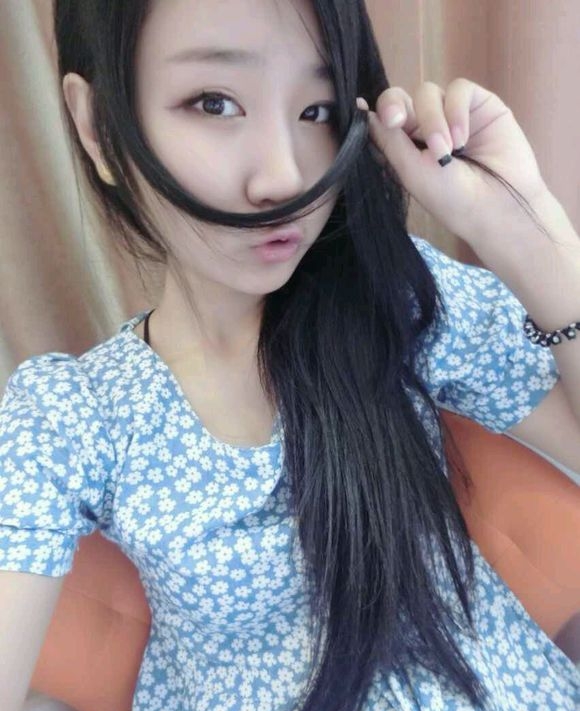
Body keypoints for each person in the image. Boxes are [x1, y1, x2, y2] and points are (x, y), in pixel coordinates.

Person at [1, 1, 579, 709]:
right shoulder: (72, 415)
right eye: (214, 102)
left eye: (317, 111)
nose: (284, 178)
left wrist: (528, 233)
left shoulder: (395, 299)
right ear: (98, 126)